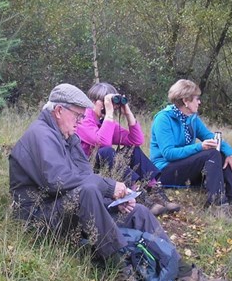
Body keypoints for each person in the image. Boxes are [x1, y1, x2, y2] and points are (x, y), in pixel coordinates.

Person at [9, 83, 224, 281]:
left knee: (139, 212)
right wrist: (110, 188)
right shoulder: (41, 134)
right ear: (58, 111)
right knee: (90, 192)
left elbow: (84, 173)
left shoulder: (68, 137)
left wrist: (113, 198)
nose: (80, 122)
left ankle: (183, 272)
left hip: (69, 206)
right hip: (41, 218)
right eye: (77, 116)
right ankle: (121, 276)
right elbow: (58, 180)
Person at [76, 82, 180, 216]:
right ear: (92, 102)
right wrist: (109, 115)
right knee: (106, 152)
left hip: (99, 163)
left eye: (112, 104)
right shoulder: (83, 119)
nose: (110, 107)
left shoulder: (104, 121)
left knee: (132, 149)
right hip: (84, 168)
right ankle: (139, 195)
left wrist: (127, 112)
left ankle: (155, 192)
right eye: (105, 102)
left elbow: (136, 140)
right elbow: (103, 143)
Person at [150, 79, 232, 207]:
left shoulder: (192, 118)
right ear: (186, 100)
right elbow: (169, 154)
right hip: (165, 170)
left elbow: (210, 137)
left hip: (184, 166)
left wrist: (229, 152)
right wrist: (200, 147)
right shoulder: (163, 119)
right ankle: (216, 204)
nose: (199, 102)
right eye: (196, 99)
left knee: (220, 154)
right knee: (211, 153)